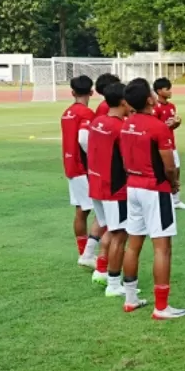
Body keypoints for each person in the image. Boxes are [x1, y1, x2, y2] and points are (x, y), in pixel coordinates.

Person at [119, 78, 185, 319]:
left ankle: (130, 299)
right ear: (150, 98)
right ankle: (161, 306)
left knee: (134, 242)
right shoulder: (158, 127)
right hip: (155, 189)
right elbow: (169, 166)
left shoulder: (126, 124)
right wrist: (174, 183)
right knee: (162, 248)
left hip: (133, 187)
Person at [86, 81, 130, 295]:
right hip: (115, 188)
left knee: (110, 230)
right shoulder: (120, 128)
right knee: (119, 235)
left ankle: (102, 271)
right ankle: (114, 284)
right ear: (124, 101)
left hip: (96, 185)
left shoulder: (97, 122)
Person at [60, 75, 102, 268]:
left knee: (81, 210)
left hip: (70, 165)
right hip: (82, 167)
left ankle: (84, 252)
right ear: (91, 92)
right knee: (100, 210)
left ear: (72, 92)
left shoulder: (66, 113)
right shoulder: (86, 113)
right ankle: (88, 254)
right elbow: (84, 139)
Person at [152, 78, 185, 210]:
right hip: (160, 146)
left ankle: (176, 200)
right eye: (167, 89)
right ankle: (163, 198)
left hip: (171, 144)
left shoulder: (171, 106)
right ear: (159, 91)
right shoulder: (155, 108)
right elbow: (153, 128)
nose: (170, 91)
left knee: (176, 170)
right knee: (163, 171)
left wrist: (176, 124)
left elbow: (170, 127)